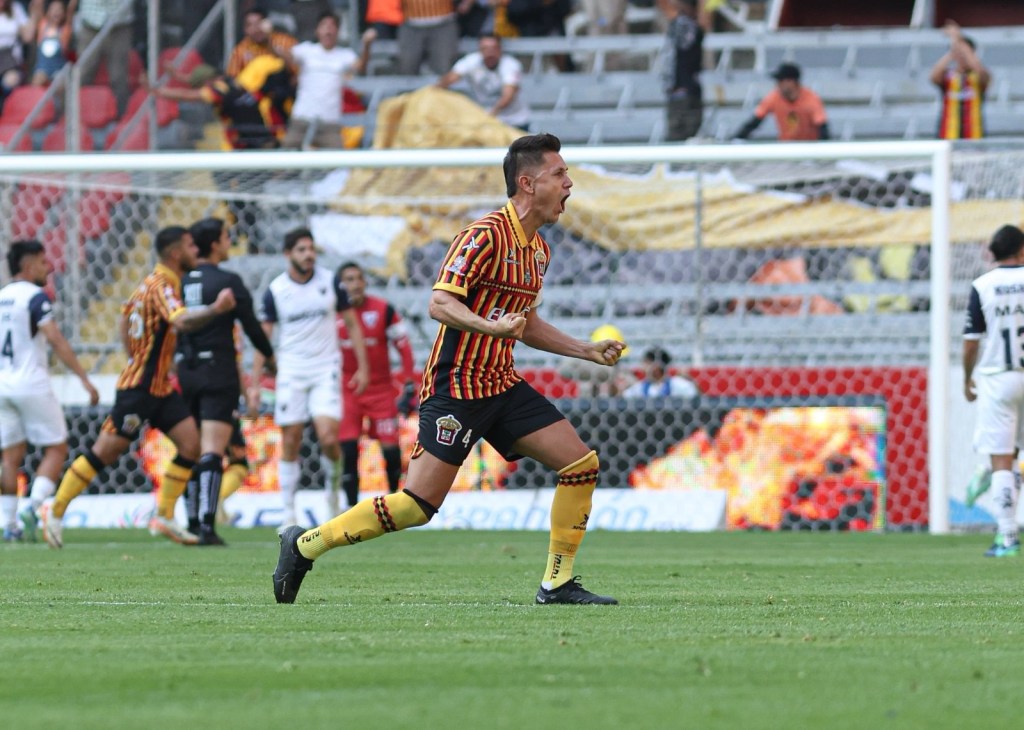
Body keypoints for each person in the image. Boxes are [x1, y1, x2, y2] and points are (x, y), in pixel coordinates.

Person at [272, 133, 626, 606]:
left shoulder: (539, 251)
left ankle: (556, 584)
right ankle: (305, 545)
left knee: (581, 465)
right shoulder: (483, 236)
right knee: (416, 506)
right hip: (456, 387)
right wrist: (490, 327)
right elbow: (439, 303)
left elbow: (527, 322)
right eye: (559, 174)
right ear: (527, 183)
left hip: (501, 385)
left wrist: (586, 349)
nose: (569, 183)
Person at [40, 227, 237, 549]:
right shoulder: (163, 286)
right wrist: (216, 309)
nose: (196, 251)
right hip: (139, 390)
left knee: (191, 445)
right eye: (190, 246)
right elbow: (181, 321)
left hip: (159, 388)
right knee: (105, 452)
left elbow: (124, 319)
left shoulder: (148, 284)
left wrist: (142, 356)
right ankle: (56, 508)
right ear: (176, 253)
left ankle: (164, 515)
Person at [249, 228, 369, 527]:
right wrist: (254, 384)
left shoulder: (330, 282)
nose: (309, 255)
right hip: (291, 371)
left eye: (311, 249)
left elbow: (352, 324)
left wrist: (363, 367)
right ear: (288, 254)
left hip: (325, 369)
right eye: (301, 250)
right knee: (291, 439)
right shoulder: (276, 290)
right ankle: (288, 511)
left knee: (328, 437)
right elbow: (263, 338)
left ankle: (332, 495)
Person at [171, 217, 276, 546]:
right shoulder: (228, 282)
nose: (230, 242)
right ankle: (207, 524)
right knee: (213, 451)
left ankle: (190, 520)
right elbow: (251, 327)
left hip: (185, 371)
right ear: (215, 243)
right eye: (227, 237)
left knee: (189, 447)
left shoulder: (179, 282)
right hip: (218, 371)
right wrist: (270, 357)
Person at [0, 240, 98, 542]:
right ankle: (34, 507)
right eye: (43, 262)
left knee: (10, 457)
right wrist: (84, 378)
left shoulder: (1, 297)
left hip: (3, 385)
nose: (49, 267)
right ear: (28, 266)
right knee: (56, 448)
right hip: (31, 382)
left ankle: (8, 525)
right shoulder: (35, 297)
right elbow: (54, 338)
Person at [963, 224, 1024, 558]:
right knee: (1016, 455)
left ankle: (1007, 536)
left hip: (999, 378)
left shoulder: (983, 285)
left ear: (992, 253)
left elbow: (972, 341)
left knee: (1002, 458)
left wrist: (967, 379)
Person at [336, 261, 416, 506]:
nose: (355, 284)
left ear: (365, 282)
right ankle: (350, 507)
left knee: (391, 448)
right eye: (349, 280)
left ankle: (393, 503)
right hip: (346, 390)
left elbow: (404, 347)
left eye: (358, 278)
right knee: (349, 450)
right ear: (339, 286)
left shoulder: (383, 310)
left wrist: (408, 381)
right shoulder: (332, 314)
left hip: (381, 390)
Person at [274, 12, 376, 150]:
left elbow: (361, 68)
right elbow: (288, 56)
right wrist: (270, 37)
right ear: (317, 30)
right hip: (302, 120)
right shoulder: (306, 50)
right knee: (284, 159)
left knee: (338, 161)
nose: (328, 30)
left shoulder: (345, 55)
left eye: (332, 26)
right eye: (324, 26)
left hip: (329, 124)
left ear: (338, 31)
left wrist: (367, 45)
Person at [152, 63, 289, 150]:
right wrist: (177, 75)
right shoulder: (232, 81)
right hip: (263, 137)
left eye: (200, 86)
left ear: (207, 82)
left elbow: (186, 95)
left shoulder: (217, 90)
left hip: (248, 144)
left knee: (223, 176)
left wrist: (157, 92)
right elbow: (195, 81)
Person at [436, 33, 530, 130]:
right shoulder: (471, 61)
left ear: (500, 49)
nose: (490, 53)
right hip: (485, 121)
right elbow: (450, 78)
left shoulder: (511, 65)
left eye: (493, 48)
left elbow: (508, 96)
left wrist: (488, 117)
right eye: (485, 48)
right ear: (479, 49)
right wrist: (435, 90)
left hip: (514, 122)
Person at [733, 62, 830, 142]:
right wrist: (736, 139)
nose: (777, 84)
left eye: (781, 81)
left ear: (792, 82)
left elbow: (822, 128)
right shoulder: (774, 97)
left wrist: (821, 150)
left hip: (808, 148)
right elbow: (754, 122)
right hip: (786, 148)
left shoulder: (811, 99)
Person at [929, 19, 990, 140]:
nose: (962, 56)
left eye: (966, 53)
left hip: (975, 137)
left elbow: (982, 72)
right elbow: (933, 76)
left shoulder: (979, 77)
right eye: (959, 53)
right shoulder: (947, 76)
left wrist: (958, 39)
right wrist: (954, 47)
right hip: (948, 136)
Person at [659, 0, 709, 142]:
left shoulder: (683, 25)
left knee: (677, 138)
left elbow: (667, 7)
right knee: (692, 137)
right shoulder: (697, 29)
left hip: (681, 93)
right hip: (693, 90)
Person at [77, 0, 133, 115]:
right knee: (83, 73)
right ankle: (73, 116)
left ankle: (121, 117)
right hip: (91, 21)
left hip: (119, 22)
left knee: (118, 76)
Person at [226, 6, 297, 79]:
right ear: (245, 29)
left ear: (268, 24)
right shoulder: (240, 51)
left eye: (259, 23)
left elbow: (298, 72)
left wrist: (273, 48)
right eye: (250, 25)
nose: (256, 29)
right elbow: (232, 78)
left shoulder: (286, 42)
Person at [397, 0, 459, 76]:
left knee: (443, 65)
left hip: (443, 23)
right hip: (411, 24)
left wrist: (466, 4)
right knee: (408, 64)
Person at [26, 0, 76, 86]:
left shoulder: (66, 30)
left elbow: (71, 10)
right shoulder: (42, 25)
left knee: (60, 82)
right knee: (37, 80)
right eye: (53, 9)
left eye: (59, 9)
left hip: (59, 68)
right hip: (42, 68)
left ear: (64, 13)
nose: (56, 11)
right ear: (48, 12)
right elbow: (37, 6)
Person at [622, 346, 700, 399]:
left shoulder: (679, 385)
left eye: (646, 363)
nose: (642, 367)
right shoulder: (638, 388)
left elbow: (694, 396)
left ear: (657, 365)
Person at [0, 0, 32, 101]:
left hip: (11, 62)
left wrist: (35, 12)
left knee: (9, 82)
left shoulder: (15, 8)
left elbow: (28, 37)